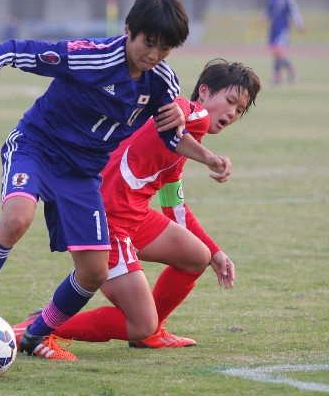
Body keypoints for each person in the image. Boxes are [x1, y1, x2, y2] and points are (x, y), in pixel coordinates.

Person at [0, 0, 229, 360]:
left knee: (94, 272)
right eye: (148, 43)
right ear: (129, 29)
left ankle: (34, 335)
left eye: (164, 48)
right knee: (17, 219)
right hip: (37, 146)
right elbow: (13, 49)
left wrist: (208, 158)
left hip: (83, 172)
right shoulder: (91, 57)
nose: (153, 55)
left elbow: (171, 137)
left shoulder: (161, 81)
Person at [13, 58, 261, 349]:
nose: (232, 113)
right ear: (204, 92)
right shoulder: (191, 114)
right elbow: (180, 107)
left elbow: (174, 209)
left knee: (197, 256)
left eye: (239, 109)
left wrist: (215, 252)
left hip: (133, 217)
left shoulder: (182, 144)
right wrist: (208, 155)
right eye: (230, 101)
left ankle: (149, 333)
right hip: (107, 220)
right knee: (141, 322)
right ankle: (38, 327)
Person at [260, 0, 304, 85]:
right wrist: (263, 16)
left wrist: (299, 24)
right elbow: (269, 10)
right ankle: (277, 78)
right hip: (274, 27)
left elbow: (294, 10)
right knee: (275, 53)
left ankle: (291, 71)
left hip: (283, 27)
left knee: (280, 51)